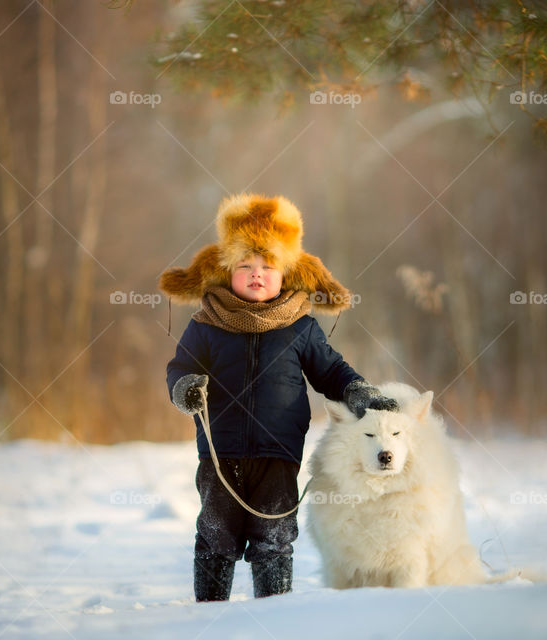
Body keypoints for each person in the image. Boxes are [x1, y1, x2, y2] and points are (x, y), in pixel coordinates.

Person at [161, 193, 398, 601]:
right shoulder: (207, 325)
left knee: (274, 534)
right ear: (225, 271)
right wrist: (186, 388)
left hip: (278, 453)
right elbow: (179, 368)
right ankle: (208, 613)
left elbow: (331, 372)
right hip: (220, 453)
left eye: (268, 266)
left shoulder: (300, 328)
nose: (257, 274)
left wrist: (359, 393)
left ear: (286, 273)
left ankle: (274, 612)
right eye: (245, 266)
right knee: (217, 532)